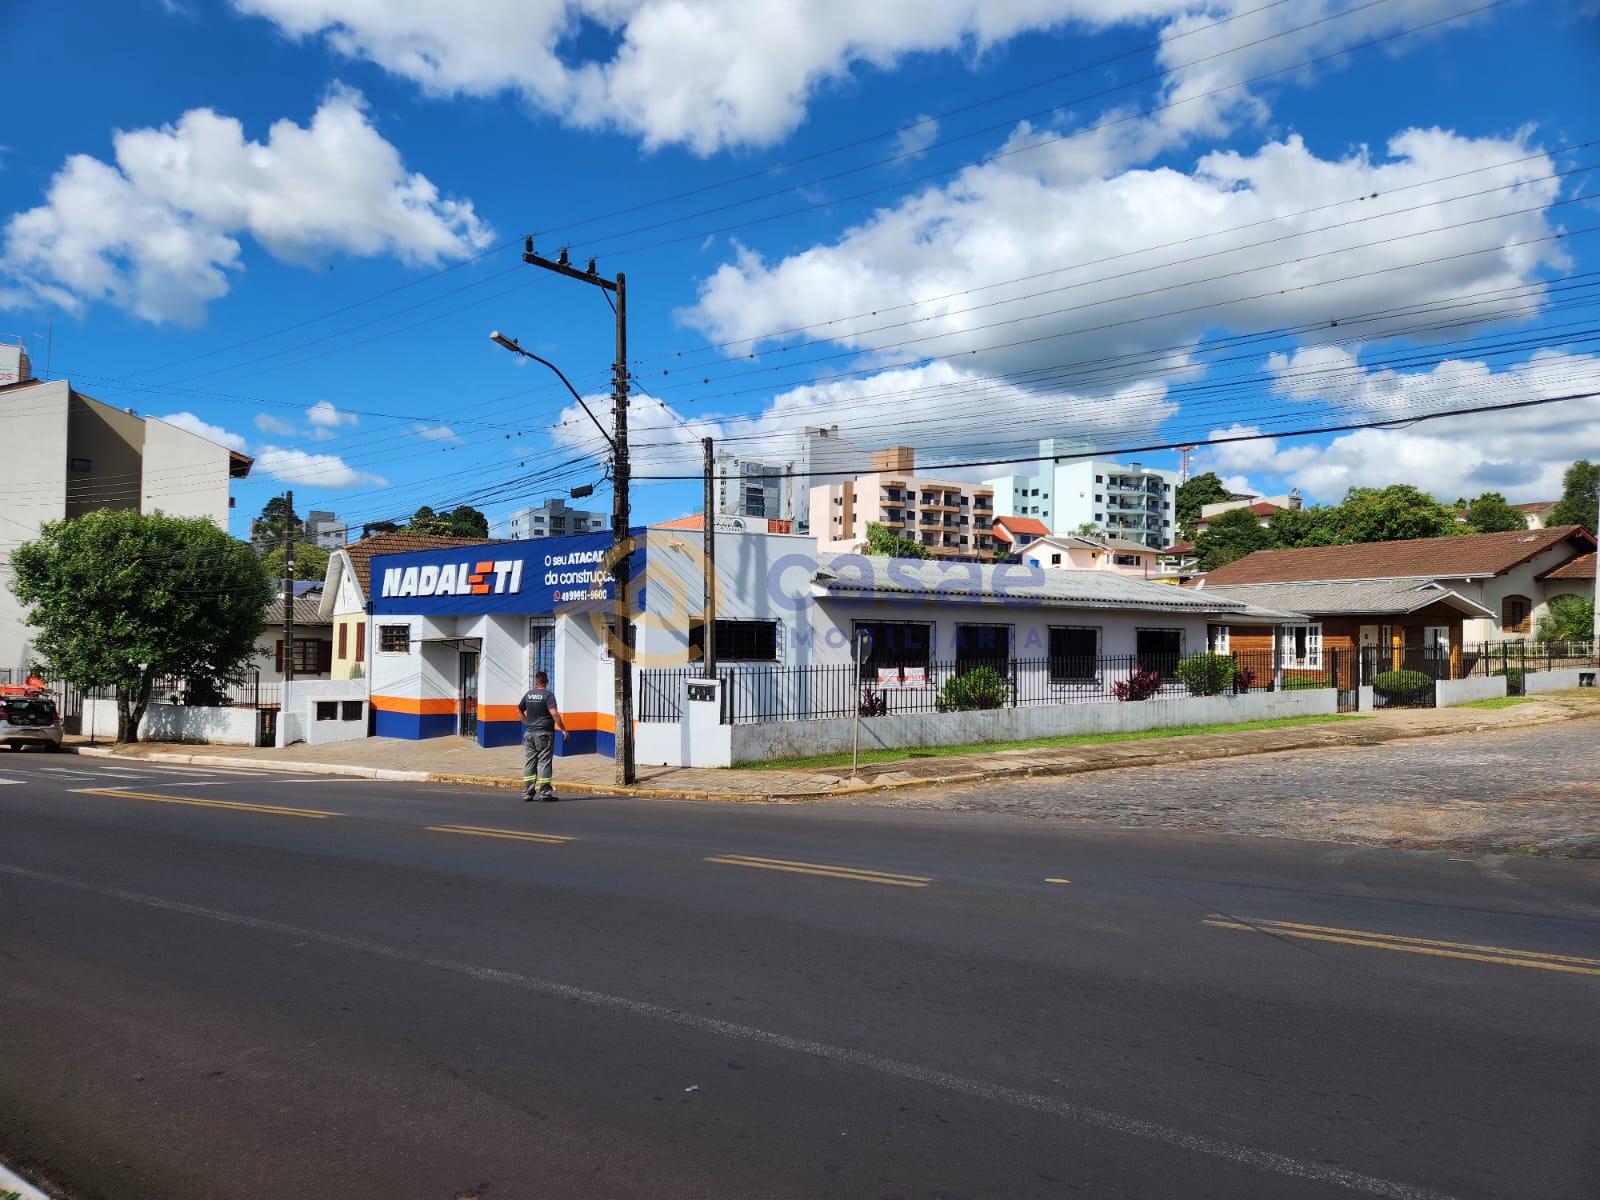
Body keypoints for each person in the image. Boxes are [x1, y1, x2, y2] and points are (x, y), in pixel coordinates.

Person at [518, 671, 567, 802]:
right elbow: (554, 713)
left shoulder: (528, 694)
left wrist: (527, 723)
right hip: (544, 734)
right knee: (544, 763)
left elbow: (519, 710)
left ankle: (528, 793)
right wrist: (563, 729)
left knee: (530, 763)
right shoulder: (548, 695)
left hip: (530, 733)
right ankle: (545, 794)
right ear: (546, 681)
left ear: (536, 681)